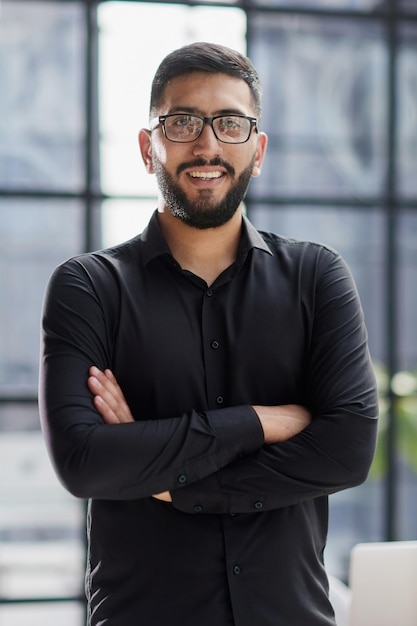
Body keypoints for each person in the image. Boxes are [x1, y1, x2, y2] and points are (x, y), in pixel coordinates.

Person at [39, 42, 379, 626]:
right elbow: (85, 460)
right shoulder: (88, 287)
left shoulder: (317, 277)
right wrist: (262, 421)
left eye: (230, 123)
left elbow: (347, 450)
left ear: (259, 149)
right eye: (182, 122)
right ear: (149, 147)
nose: (207, 144)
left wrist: (167, 474)